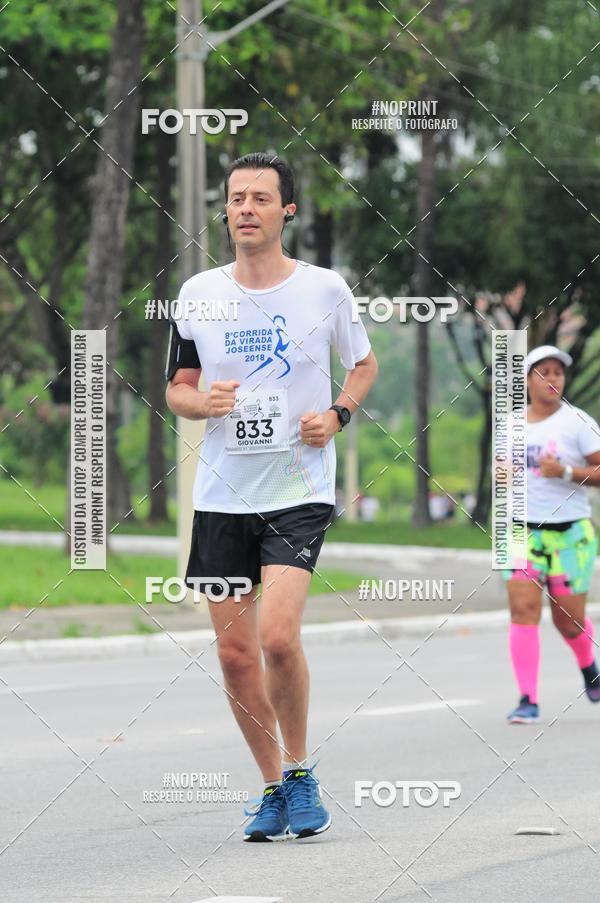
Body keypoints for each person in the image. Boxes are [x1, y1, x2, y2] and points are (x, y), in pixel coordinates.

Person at [165, 153, 378, 840]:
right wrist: (204, 401)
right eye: (236, 197)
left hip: (299, 490)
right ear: (224, 210)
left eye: (261, 196)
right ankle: (271, 787)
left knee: (278, 637)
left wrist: (338, 415)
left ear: (288, 210)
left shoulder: (324, 290)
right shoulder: (198, 292)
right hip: (223, 497)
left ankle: (300, 769)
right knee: (233, 653)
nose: (246, 207)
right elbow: (177, 387)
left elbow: (364, 364)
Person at [503, 345, 600, 724]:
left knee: (568, 619)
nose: (551, 379)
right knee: (523, 610)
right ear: (528, 381)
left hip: (570, 534)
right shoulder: (511, 425)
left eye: (557, 372)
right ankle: (527, 698)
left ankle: (590, 665)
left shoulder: (579, 423)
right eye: (542, 372)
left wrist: (564, 472)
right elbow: (505, 472)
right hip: (518, 531)